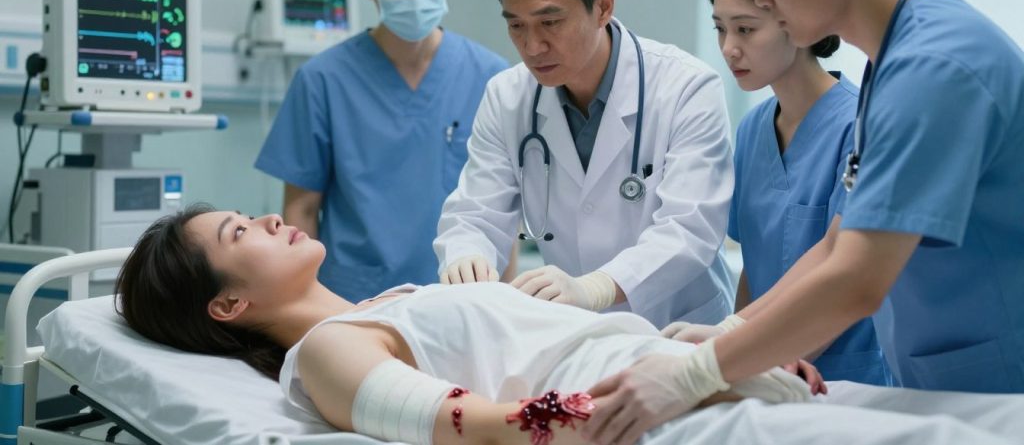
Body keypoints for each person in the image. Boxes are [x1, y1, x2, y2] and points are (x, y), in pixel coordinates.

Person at [583, 0, 1024, 443]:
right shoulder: (893, 63)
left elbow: (857, 279)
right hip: (941, 378)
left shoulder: (934, 66)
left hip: (995, 384)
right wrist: (731, 332)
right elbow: (841, 239)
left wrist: (697, 372)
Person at [114, 206, 1022, 445]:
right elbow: (471, 423)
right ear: (227, 305)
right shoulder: (325, 353)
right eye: (243, 231)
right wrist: (626, 399)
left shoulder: (392, 303)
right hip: (659, 418)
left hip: (701, 381)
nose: (271, 220)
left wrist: (697, 348)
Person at [433, 0, 736, 329]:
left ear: (603, 6)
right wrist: (466, 254)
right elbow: (475, 213)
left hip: (676, 329)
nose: (532, 46)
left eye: (550, 22)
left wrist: (597, 287)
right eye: (515, 25)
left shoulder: (686, 88)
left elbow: (689, 230)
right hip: (577, 333)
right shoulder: (507, 97)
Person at [255, 0, 507, 302]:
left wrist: (505, 302)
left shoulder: (494, 77)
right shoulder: (323, 79)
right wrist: (308, 306)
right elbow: (300, 211)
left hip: (463, 296)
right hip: (353, 298)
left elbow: (504, 207)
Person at [668, 0, 891, 385]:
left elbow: (838, 262)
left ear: (797, 25)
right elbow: (755, 266)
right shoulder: (752, 129)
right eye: (720, 29)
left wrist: (742, 348)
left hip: (846, 373)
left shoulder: (859, 126)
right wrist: (733, 352)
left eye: (746, 29)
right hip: (770, 362)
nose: (729, 48)